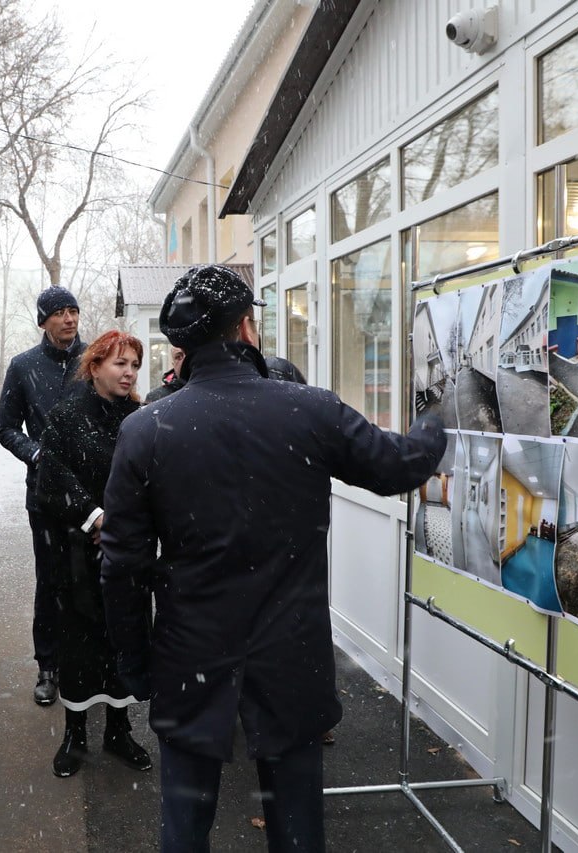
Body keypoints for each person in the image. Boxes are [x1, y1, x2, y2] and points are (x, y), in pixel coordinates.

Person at [99, 264, 445, 852]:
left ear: (183, 344)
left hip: (190, 653)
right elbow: (400, 467)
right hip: (290, 653)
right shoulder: (307, 409)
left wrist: (134, 662)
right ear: (245, 328)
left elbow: (122, 565)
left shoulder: (147, 428)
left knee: (184, 824)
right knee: (296, 826)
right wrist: (442, 416)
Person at [36, 330, 152, 779]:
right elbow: (53, 480)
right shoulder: (66, 416)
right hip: (76, 555)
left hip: (130, 554)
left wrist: (128, 526)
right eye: (120, 364)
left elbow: (152, 480)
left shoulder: (141, 418)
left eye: (134, 365)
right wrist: (96, 518)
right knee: (80, 642)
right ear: (95, 366)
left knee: (124, 637)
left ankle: (119, 731)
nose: (129, 373)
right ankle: (76, 733)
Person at [0, 285, 86, 705]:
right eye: (59, 313)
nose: (68, 319)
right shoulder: (23, 366)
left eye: (73, 311)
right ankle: (48, 668)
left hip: (92, 492)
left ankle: (87, 665)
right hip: (46, 494)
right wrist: (35, 453)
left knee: (89, 579)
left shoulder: (95, 359)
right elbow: (6, 426)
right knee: (51, 580)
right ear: (43, 320)